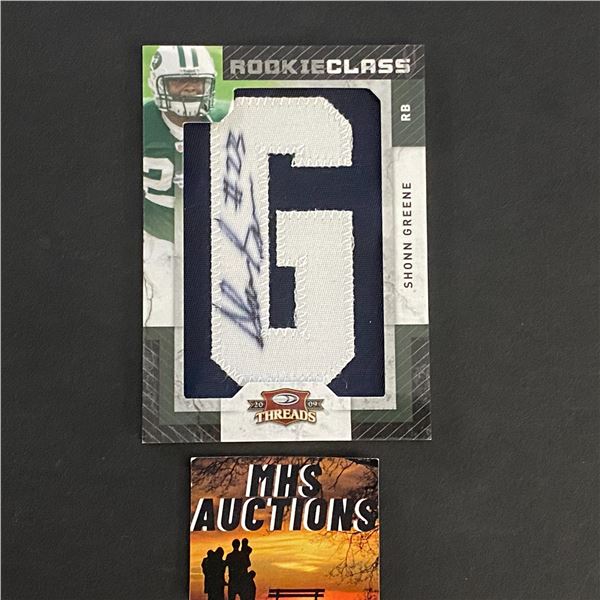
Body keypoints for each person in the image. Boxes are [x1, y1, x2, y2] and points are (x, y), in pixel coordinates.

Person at [143, 45, 216, 326]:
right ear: (158, 83)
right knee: (160, 319)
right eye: (179, 81)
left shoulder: (223, 120)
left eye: (197, 82)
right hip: (154, 237)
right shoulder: (142, 121)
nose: (190, 89)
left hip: (208, 236)